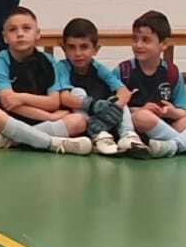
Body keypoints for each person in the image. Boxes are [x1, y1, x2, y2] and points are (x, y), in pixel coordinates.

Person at [0, 7, 91, 154]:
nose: (20, 34)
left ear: (37, 33)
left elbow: (53, 102)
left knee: (79, 121)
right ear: (4, 37)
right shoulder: (0, 62)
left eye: (26, 28)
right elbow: (8, 103)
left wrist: (21, 97)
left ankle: (13, 140)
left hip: (40, 122)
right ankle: (52, 143)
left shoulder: (49, 61)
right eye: (13, 30)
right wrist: (49, 116)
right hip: (11, 119)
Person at [121, 10, 186, 158]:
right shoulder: (123, 71)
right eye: (135, 39)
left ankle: (173, 146)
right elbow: (117, 109)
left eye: (145, 40)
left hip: (170, 125)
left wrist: (171, 112)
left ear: (163, 44)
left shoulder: (172, 72)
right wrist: (140, 109)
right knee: (143, 116)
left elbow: (182, 111)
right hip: (141, 126)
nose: (138, 45)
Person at [53, 16, 141, 157]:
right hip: (80, 119)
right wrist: (93, 105)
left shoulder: (98, 68)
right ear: (64, 49)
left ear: (96, 49)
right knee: (77, 91)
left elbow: (123, 91)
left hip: (100, 116)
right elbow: (64, 98)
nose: (78, 53)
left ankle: (128, 135)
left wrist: (114, 106)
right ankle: (99, 135)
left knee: (115, 98)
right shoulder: (62, 67)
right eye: (71, 47)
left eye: (84, 47)